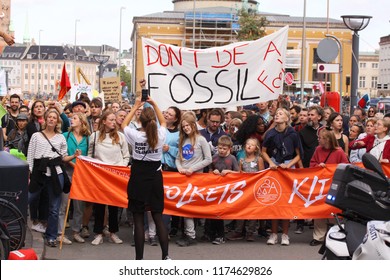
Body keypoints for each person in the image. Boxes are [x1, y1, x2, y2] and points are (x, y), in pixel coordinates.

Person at [121, 94, 170, 260]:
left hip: (138, 178)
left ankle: (139, 259)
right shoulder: (160, 136)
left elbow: (124, 124)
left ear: (139, 121)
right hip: (155, 177)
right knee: (157, 217)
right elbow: (164, 122)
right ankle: (165, 256)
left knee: (139, 219)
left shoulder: (135, 135)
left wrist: (135, 106)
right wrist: (154, 103)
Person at [27, 109, 79, 247]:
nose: (51, 119)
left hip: (56, 172)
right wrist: (31, 172)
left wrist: (74, 156)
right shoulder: (36, 136)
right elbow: (30, 155)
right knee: (29, 198)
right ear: (44, 119)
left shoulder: (61, 137)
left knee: (54, 207)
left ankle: (51, 236)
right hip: (39, 170)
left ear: (57, 121)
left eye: (54, 118)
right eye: (49, 117)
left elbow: (63, 157)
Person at [262, 108, 303, 246]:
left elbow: (298, 155)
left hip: (287, 166)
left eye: (281, 114)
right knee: (274, 199)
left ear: (286, 118)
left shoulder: (293, 134)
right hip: (274, 165)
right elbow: (263, 151)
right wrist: (271, 162)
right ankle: (273, 234)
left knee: (286, 200)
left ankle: (285, 235)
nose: (277, 115)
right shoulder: (271, 134)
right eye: (276, 114)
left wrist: (289, 164)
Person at [88, 110, 130, 245]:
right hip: (100, 176)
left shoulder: (120, 137)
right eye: (110, 120)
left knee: (114, 206)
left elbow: (126, 156)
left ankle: (113, 232)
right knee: (99, 206)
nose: (113, 122)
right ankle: (98, 233)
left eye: (114, 120)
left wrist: (120, 169)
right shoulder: (94, 136)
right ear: (104, 121)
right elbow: (90, 155)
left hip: (115, 176)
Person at [175, 112, 212, 247]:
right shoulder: (182, 140)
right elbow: (178, 158)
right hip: (183, 178)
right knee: (183, 207)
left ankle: (191, 235)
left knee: (188, 207)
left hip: (196, 179)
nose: (185, 128)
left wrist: (193, 169)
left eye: (187, 125)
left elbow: (208, 159)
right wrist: (179, 167)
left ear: (193, 125)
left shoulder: (201, 140)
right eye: (183, 126)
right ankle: (188, 233)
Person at [309, 127, 349, 246]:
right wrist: (318, 165)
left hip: (334, 186)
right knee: (319, 210)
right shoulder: (318, 150)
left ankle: (335, 235)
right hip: (320, 186)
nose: (318, 139)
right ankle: (318, 236)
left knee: (333, 211)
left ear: (327, 139)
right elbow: (312, 164)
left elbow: (346, 167)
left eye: (320, 138)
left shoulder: (339, 152)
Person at [226, 137, 265, 242]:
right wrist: (229, 172)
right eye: (247, 144)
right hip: (244, 189)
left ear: (256, 148)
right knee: (241, 209)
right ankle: (239, 231)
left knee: (252, 210)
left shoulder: (258, 159)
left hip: (254, 189)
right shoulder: (242, 160)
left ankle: (250, 232)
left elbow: (262, 174)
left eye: (252, 145)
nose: (249, 146)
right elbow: (239, 173)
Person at [62, 113, 91, 244]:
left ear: (82, 121)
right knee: (64, 203)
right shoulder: (65, 136)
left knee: (79, 205)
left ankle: (76, 232)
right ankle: (60, 232)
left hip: (82, 174)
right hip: (67, 172)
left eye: (74, 118)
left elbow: (90, 155)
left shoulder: (88, 138)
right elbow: (62, 154)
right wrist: (72, 162)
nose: (71, 120)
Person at [207, 135, 239, 245]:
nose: (221, 150)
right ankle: (212, 234)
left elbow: (239, 173)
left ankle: (221, 236)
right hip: (215, 189)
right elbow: (209, 170)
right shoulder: (214, 157)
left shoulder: (232, 158)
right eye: (220, 148)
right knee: (213, 212)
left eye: (224, 148)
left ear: (230, 148)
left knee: (219, 213)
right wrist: (213, 172)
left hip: (227, 189)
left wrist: (229, 172)